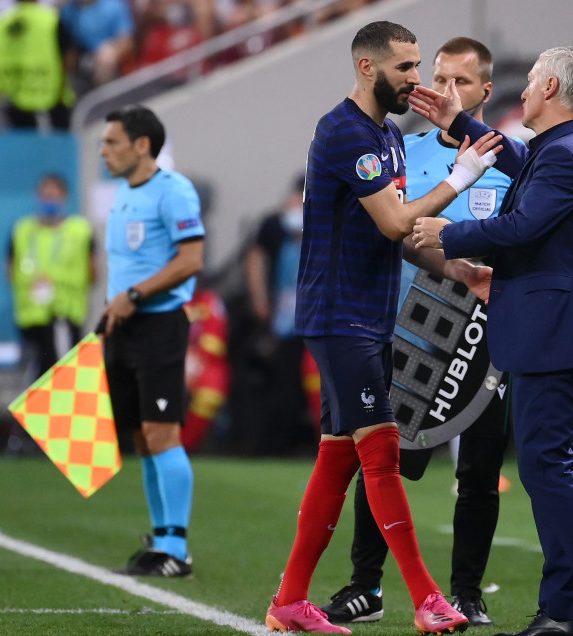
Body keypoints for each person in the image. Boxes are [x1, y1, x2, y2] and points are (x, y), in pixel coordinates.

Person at [263, 20, 503, 635]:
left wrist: (459, 271)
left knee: (337, 459)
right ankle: (426, 599)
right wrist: (461, 178)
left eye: (419, 66)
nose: (417, 80)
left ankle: (291, 600)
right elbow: (398, 222)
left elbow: (397, 240)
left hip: (370, 316)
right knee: (382, 451)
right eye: (406, 68)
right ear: (368, 68)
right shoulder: (343, 131)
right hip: (338, 314)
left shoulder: (388, 135)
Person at [411, 46, 573, 636]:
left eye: (526, 84)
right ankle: (562, 612)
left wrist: (450, 233)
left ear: (549, 88)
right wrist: (457, 121)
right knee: (552, 471)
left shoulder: (567, 158)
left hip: (557, 336)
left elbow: (521, 228)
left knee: (548, 472)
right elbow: (517, 158)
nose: (519, 94)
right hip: (557, 334)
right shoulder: (564, 150)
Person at [98, 105, 205, 577]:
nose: (103, 151)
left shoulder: (174, 191)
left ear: (142, 145)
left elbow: (191, 260)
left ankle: (177, 549)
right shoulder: (122, 194)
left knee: (162, 432)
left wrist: (135, 295)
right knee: (141, 435)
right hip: (123, 327)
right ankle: (161, 537)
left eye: (112, 142)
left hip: (159, 324)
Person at [243, 175, 314, 455]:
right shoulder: (274, 227)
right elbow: (255, 258)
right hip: (284, 322)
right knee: (284, 381)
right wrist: (260, 300)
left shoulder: (331, 221)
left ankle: (315, 439)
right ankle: (280, 441)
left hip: (320, 320)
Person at [7, 173, 96, 375]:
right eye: (45, 195)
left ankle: (63, 408)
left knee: (61, 375)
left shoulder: (79, 231)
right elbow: (10, 268)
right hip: (30, 317)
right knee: (35, 375)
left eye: (54, 195)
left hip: (63, 315)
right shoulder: (22, 230)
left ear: (65, 198)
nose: (49, 200)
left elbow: (93, 271)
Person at [0, 0, 76, 131]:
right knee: (57, 147)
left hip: (13, 98)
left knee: (22, 146)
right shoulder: (51, 20)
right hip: (52, 97)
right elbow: (69, 58)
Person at [181, 276, 230, 453]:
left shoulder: (210, 301)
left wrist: (194, 363)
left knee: (211, 392)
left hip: (204, 363)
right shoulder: (171, 301)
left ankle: (187, 444)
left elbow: (215, 341)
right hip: (174, 361)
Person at [59, 0, 134, 89]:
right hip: (82, 65)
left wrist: (113, 52)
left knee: (106, 60)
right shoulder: (68, 11)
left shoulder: (114, 6)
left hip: (110, 65)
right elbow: (68, 49)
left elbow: (127, 42)